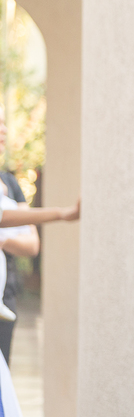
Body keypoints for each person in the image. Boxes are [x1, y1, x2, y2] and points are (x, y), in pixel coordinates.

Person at [0, 107, 39, 358]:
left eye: (4, 123)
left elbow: (32, 243)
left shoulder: (11, 183)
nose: (3, 130)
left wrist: (3, 239)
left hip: (6, 297)